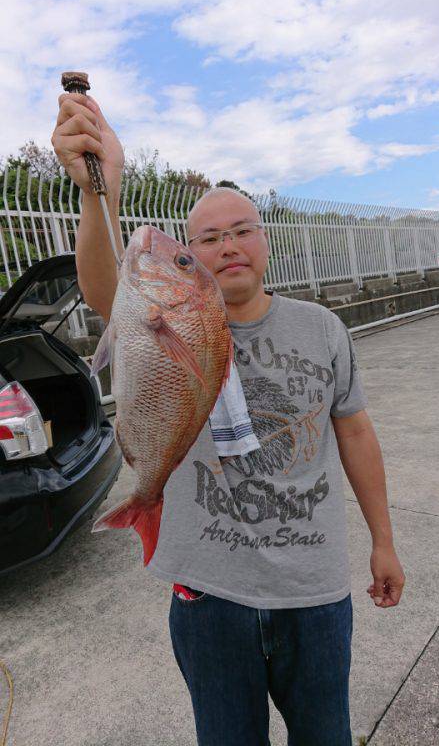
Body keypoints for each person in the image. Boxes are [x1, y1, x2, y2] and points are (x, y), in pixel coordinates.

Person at [52, 91, 406, 746]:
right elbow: (106, 284)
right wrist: (100, 188)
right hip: (208, 594)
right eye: (207, 238)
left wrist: (383, 540)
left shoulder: (323, 328)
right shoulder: (168, 319)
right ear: (194, 256)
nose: (228, 244)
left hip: (316, 590)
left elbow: (355, 431)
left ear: (265, 240)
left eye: (242, 228)